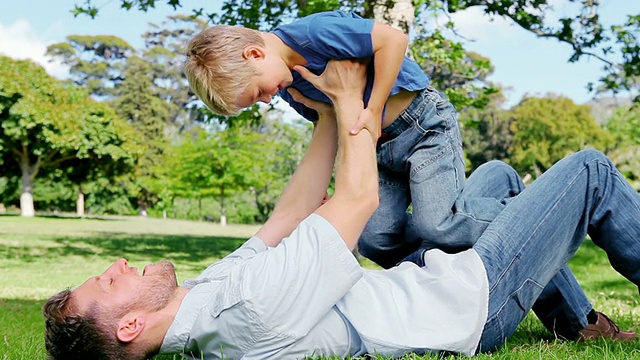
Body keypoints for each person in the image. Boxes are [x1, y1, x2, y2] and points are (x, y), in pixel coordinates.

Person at [44, 60, 640, 360]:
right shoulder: (246, 311)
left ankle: (579, 323)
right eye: (108, 281)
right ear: (127, 327)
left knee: (499, 178)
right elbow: (356, 199)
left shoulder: (203, 303)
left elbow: (290, 213)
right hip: (471, 302)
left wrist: (327, 116)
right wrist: (354, 96)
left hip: (434, 280)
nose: (118, 264)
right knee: (588, 169)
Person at [183, 12, 632, 342]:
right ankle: (550, 262)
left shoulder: (310, 33)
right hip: (380, 151)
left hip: (421, 126)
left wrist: (375, 106)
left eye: (257, 92)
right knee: (377, 238)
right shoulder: (292, 87)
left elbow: (392, 39)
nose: (266, 100)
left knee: (435, 224)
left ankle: (542, 214)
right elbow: (334, 131)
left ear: (254, 52)